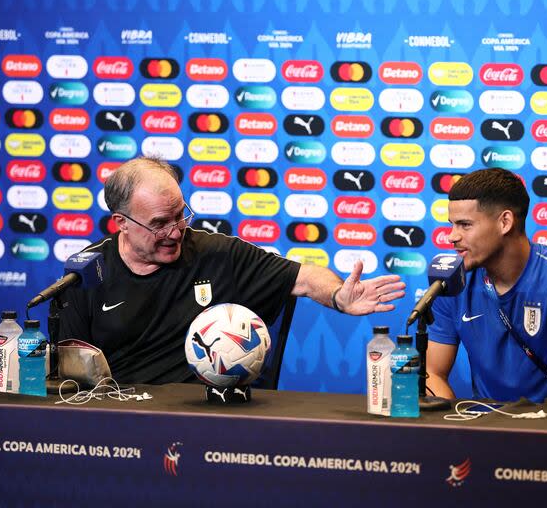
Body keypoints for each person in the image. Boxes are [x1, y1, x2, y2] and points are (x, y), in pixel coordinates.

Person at [58, 156, 405, 384]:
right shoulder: (86, 273)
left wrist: (337, 295)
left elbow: (303, 277)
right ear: (121, 222)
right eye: (160, 224)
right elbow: (70, 374)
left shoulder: (218, 254)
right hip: (124, 421)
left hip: (209, 420)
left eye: (180, 215)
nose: (176, 231)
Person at [426, 168, 547, 405]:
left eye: (464, 225)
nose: (451, 236)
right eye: (452, 225)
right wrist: (453, 427)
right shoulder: (452, 281)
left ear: (505, 222)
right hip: (485, 429)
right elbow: (433, 373)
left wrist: (543, 429)